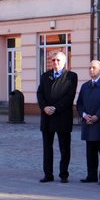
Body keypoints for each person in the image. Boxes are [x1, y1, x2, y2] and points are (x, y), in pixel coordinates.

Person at [36, 51, 78, 183]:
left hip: (62, 115)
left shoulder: (71, 76)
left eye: (58, 60)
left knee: (64, 147)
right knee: (47, 147)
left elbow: (69, 96)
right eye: (53, 60)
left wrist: (55, 108)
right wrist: (44, 107)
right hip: (47, 116)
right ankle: (48, 174)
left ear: (64, 62)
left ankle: (63, 174)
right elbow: (40, 93)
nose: (55, 62)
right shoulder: (45, 76)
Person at [76, 60, 100, 185]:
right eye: (89, 68)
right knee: (90, 152)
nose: (91, 70)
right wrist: (84, 115)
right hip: (88, 123)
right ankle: (91, 175)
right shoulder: (85, 86)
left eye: (94, 67)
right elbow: (79, 103)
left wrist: (97, 116)